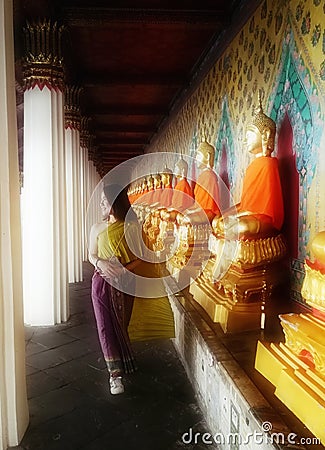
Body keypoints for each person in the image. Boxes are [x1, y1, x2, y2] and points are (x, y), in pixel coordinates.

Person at [88, 184, 142, 395]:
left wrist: (123, 270)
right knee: (104, 326)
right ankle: (115, 375)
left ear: (116, 203)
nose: (101, 204)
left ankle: (123, 358)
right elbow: (91, 255)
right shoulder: (96, 228)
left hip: (125, 283)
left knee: (121, 324)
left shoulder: (132, 228)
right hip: (101, 283)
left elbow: (139, 259)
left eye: (105, 200)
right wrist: (101, 264)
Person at [213, 99, 284, 238]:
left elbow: (263, 209)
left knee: (241, 227)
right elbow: (246, 204)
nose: (245, 141)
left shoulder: (269, 164)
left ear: (266, 135)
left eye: (249, 135)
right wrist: (227, 214)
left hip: (263, 219)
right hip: (249, 215)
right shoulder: (251, 168)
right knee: (218, 222)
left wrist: (236, 216)